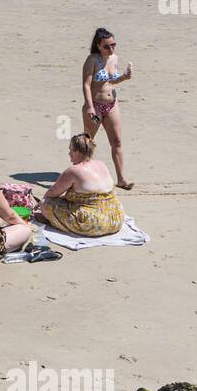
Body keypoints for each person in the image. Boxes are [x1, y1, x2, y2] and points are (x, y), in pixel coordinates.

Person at [38, 133, 125, 238]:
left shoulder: (73, 170)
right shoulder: (101, 164)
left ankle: (54, 222)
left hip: (94, 223)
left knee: (45, 203)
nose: (69, 153)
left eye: (71, 150)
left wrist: (42, 204)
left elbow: (51, 193)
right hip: (116, 218)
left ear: (77, 152)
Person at [81, 27, 134, 190]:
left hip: (112, 105)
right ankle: (83, 176)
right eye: (107, 46)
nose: (111, 49)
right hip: (95, 105)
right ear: (98, 45)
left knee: (117, 141)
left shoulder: (114, 58)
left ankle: (121, 179)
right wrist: (89, 106)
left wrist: (124, 77)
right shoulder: (92, 60)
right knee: (88, 142)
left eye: (113, 45)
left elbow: (111, 81)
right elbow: (86, 85)